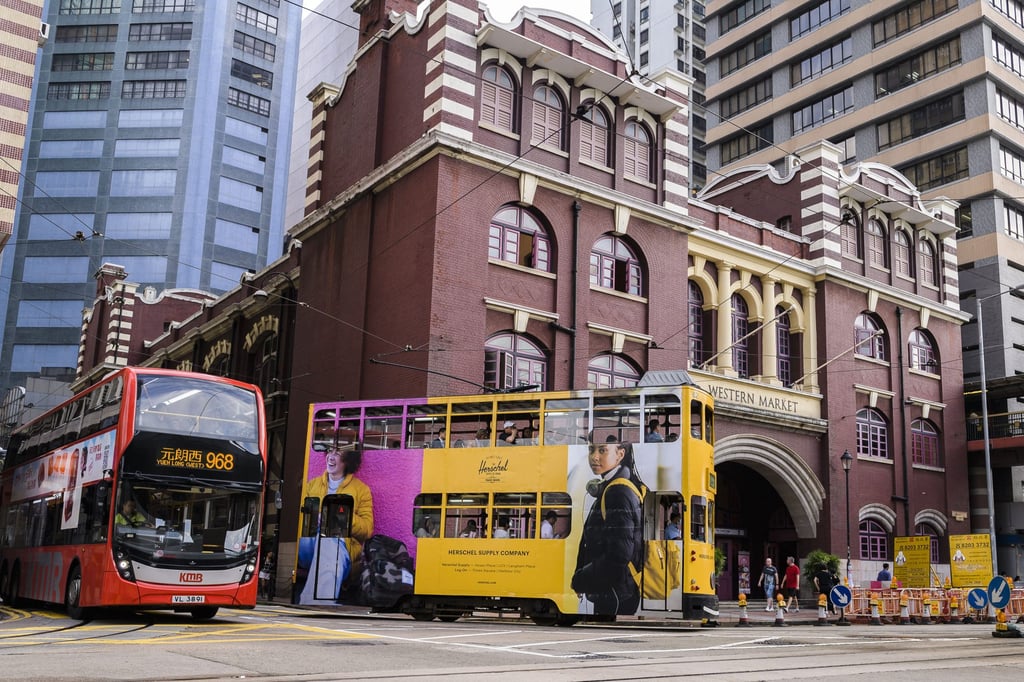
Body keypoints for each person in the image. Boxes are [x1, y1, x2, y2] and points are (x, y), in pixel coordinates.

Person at [572, 437, 645, 616]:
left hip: (614, 590)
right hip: (615, 587)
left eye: (602, 450)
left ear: (620, 454)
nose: (594, 457)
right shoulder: (614, 486)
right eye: (591, 450)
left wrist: (581, 578)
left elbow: (620, 553)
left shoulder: (617, 492)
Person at [304, 445, 374, 570]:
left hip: (341, 550)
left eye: (337, 454)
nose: (330, 457)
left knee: (328, 543)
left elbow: (367, 530)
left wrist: (343, 518)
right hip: (311, 545)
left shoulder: (362, 490)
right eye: (330, 451)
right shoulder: (312, 485)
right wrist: (314, 517)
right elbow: (299, 519)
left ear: (347, 461)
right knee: (306, 541)